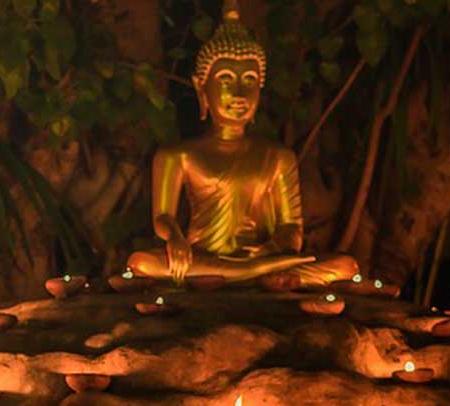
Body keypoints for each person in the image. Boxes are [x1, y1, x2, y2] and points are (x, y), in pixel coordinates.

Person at [126, 0, 358, 286]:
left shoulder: (278, 158)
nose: (238, 93)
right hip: (201, 258)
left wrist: (268, 251)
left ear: (260, 88)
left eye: (249, 80)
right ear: (202, 86)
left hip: (261, 260)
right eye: (225, 79)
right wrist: (175, 238)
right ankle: (247, 277)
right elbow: (163, 216)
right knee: (141, 262)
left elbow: (291, 228)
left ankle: (243, 275)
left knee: (346, 266)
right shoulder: (178, 156)